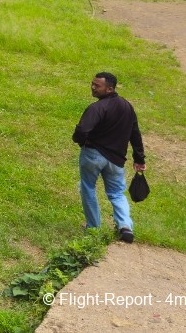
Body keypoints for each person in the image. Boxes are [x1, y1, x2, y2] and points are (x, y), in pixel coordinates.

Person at [72, 72, 146, 243]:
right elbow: (135, 134)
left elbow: (82, 130)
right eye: (92, 84)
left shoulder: (97, 108)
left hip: (93, 155)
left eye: (97, 86)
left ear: (110, 89)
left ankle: (94, 227)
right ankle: (125, 226)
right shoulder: (127, 107)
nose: (93, 87)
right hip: (116, 161)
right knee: (117, 193)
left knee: (87, 188)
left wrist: (80, 141)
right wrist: (139, 159)